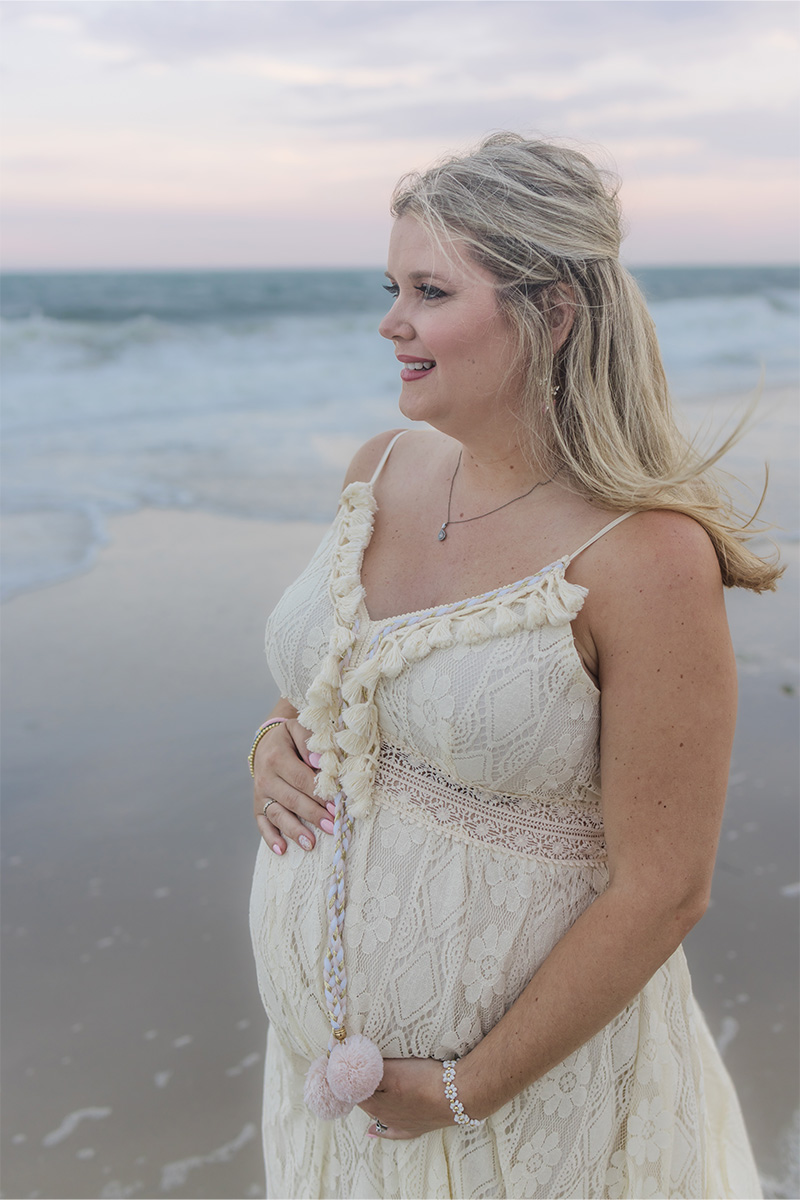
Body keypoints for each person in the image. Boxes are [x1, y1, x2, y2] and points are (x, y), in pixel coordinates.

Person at [249, 133, 777, 1199]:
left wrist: (461, 1088)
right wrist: (270, 739)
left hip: (528, 1124)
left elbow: (663, 889)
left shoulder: (643, 556)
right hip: (325, 1104)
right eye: (390, 286)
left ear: (553, 314)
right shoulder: (379, 468)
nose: (389, 322)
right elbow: (348, 684)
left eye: (429, 291)